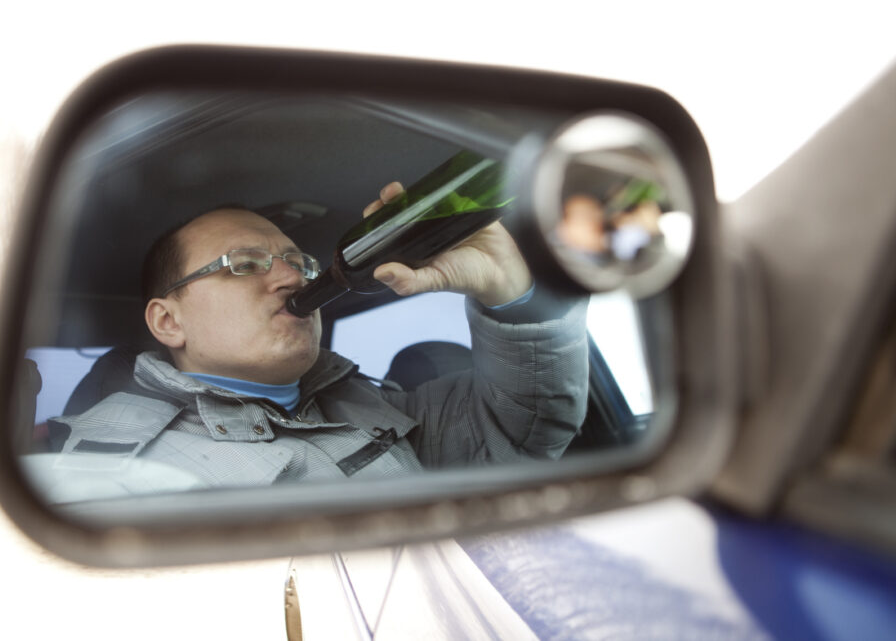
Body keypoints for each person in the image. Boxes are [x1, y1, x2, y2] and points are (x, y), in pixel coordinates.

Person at [46, 182, 590, 487]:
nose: (293, 278)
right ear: (168, 321)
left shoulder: (375, 405)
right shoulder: (118, 470)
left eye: (298, 262)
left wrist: (510, 293)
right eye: (244, 264)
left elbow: (521, 430)